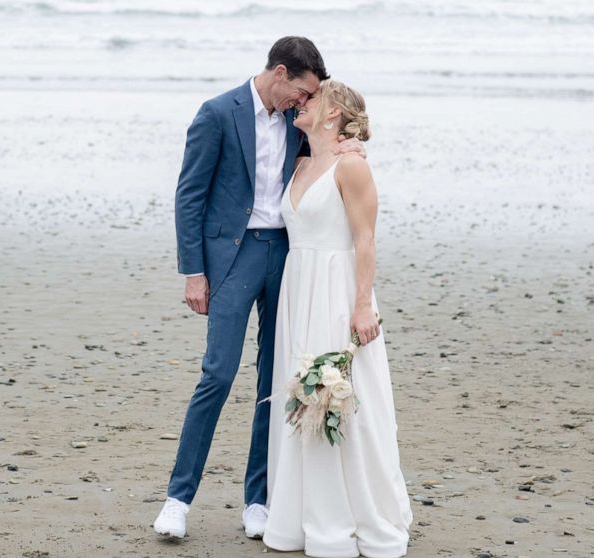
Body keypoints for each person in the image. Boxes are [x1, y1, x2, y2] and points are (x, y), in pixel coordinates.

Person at [156, 37, 363, 541]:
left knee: (273, 382)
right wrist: (193, 272)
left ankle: (258, 499)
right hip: (233, 257)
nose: (304, 102)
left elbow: (331, 151)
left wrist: (351, 143)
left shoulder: (298, 123)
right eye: (302, 91)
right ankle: (178, 500)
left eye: (311, 97)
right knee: (218, 374)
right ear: (279, 73)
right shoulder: (217, 113)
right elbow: (190, 194)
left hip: (288, 256)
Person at [263, 80, 413, 558]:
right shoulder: (302, 162)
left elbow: (365, 240)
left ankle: (352, 515)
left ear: (332, 116)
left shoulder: (352, 167)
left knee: (345, 397)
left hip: (337, 287)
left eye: (313, 98)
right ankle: (300, 514)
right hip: (298, 287)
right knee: (300, 393)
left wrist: (364, 304)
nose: (301, 102)